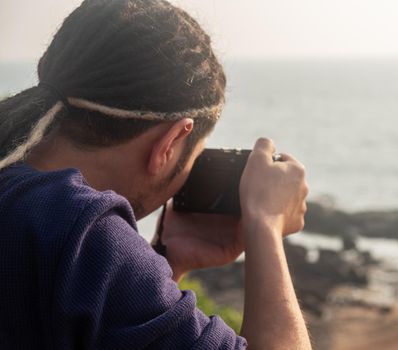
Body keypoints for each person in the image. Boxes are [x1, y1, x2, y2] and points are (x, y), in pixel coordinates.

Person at [0, 0, 312, 349]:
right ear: (171, 141)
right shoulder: (83, 234)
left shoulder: (30, 207)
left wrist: (164, 261)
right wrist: (265, 224)